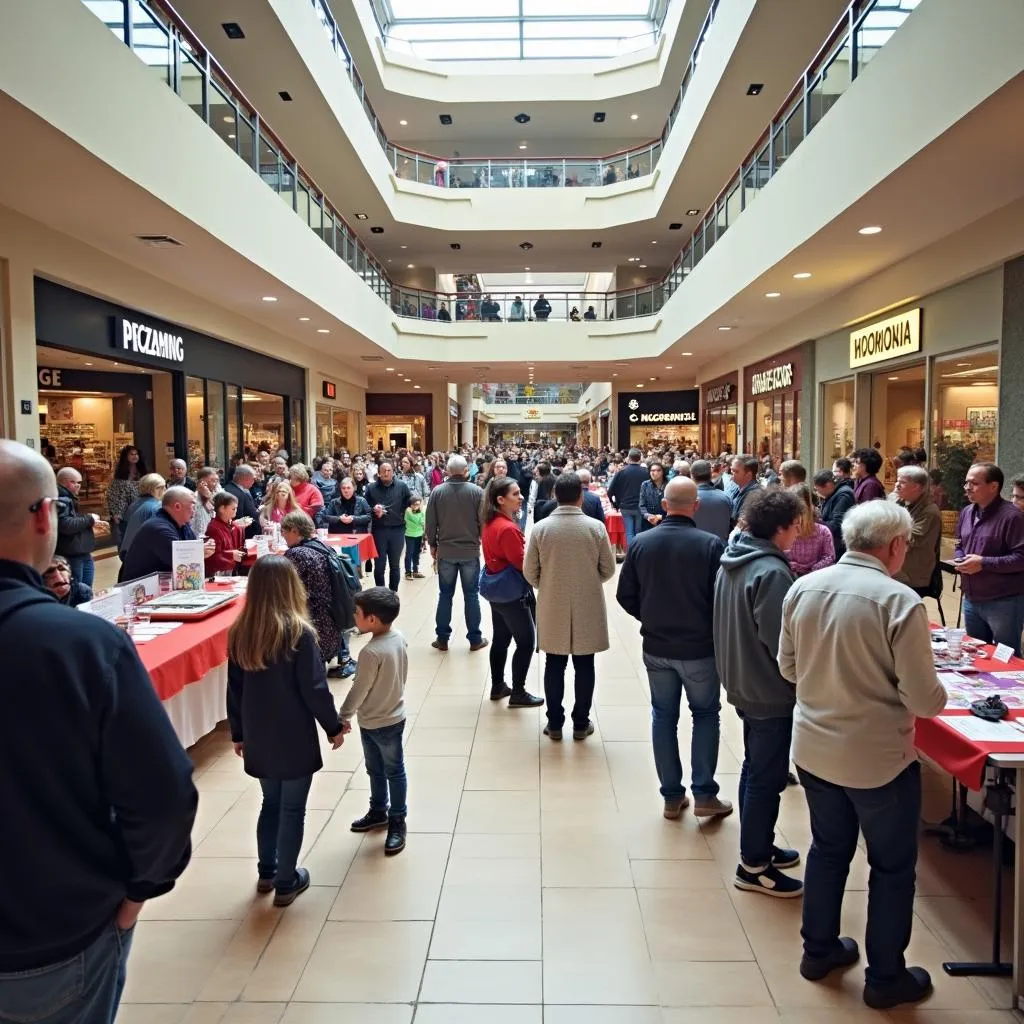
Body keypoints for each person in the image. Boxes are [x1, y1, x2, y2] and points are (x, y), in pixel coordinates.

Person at [0, 439, 196, 1023]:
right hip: (54, 936)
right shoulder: (82, 646)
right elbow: (162, 796)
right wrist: (139, 891)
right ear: (43, 515)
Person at [779, 501, 947, 1010]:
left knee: (828, 850)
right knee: (892, 867)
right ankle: (885, 977)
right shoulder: (899, 602)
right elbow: (923, 700)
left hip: (813, 747)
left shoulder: (802, 587)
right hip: (877, 759)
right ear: (895, 546)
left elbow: (788, 668)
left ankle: (819, 950)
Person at [227, 555, 344, 906]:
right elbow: (315, 689)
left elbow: (234, 688)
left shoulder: (241, 631)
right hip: (292, 733)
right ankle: (286, 880)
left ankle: (266, 870)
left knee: (270, 803)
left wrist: (238, 732)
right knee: (293, 810)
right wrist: (333, 726)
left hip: (257, 732)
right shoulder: (298, 632)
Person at [616, 477, 732, 819]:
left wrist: (649, 617)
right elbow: (721, 598)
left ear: (663, 505)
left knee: (663, 717)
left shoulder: (641, 543)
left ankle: (671, 795)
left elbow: (626, 595)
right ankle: (705, 793)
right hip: (699, 647)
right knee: (706, 714)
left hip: (656, 645)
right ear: (695, 506)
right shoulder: (711, 545)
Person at [714, 487, 804, 898]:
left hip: (742, 678)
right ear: (780, 528)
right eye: (795, 526)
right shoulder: (771, 572)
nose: (799, 533)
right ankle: (754, 866)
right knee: (766, 777)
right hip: (767, 688)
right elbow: (780, 643)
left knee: (755, 768)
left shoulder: (734, 559)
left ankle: (758, 844)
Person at [524, 472, 616, 741]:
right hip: (587, 601)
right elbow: (608, 569)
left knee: (554, 663)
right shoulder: (595, 528)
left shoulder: (541, 528)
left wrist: (550, 583)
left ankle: (554, 723)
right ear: (580, 497)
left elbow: (530, 572)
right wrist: (587, 580)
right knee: (585, 664)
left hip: (553, 602)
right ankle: (580, 723)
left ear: (554, 495)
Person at [343, 587, 410, 856]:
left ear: (372, 620)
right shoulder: (398, 637)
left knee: (389, 770)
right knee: (382, 769)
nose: (354, 616)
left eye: (357, 613)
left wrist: (342, 716)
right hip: (390, 715)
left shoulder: (371, 653)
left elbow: (359, 689)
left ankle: (396, 819)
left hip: (378, 720)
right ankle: (379, 811)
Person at [480, 476, 545, 707]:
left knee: (501, 638)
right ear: (500, 500)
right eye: (515, 494)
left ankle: (498, 685)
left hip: (496, 588)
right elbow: (521, 563)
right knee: (526, 641)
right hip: (511, 592)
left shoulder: (491, 522)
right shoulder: (507, 528)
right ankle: (518, 692)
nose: (521, 497)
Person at [955, 462, 1024, 654]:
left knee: (1006, 656)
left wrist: (983, 563)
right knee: (976, 653)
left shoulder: (1013, 517)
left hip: (1003, 601)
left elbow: (1020, 558)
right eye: (966, 483)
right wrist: (961, 559)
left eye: (974, 483)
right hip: (971, 597)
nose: (968, 487)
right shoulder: (967, 512)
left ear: (993, 487)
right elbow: (960, 544)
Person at [424, 455, 487, 651]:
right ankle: (475, 639)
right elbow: (483, 521)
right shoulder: (477, 492)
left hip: (446, 551)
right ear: (466, 471)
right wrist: (480, 540)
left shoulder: (438, 492)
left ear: (448, 471)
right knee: (471, 595)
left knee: (445, 594)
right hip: (469, 551)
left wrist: (433, 545)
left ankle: (442, 639)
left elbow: (431, 522)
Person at [281, 511, 343, 665]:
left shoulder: (296, 554)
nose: (283, 536)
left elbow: (285, 590)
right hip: (332, 624)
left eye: (284, 532)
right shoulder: (324, 546)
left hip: (312, 627)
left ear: (295, 530)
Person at [119, 486, 215, 581]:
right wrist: (199, 551)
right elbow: (181, 564)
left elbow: (191, 550)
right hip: (141, 589)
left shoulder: (182, 525)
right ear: (177, 506)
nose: (195, 511)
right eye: (193, 505)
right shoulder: (158, 528)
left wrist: (202, 549)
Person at [365, 461, 414, 592]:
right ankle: (380, 593)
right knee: (379, 565)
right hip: (379, 530)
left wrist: (414, 504)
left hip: (397, 529)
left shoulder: (402, 486)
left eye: (389, 470)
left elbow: (410, 500)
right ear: (379, 473)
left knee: (395, 565)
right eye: (384, 471)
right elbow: (365, 508)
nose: (387, 473)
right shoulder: (371, 488)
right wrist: (374, 509)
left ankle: (393, 592)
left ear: (393, 472)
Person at [893, 465, 942, 595]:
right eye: (897, 481)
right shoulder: (900, 502)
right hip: (897, 571)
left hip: (912, 575)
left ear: (917, 487)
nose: (897, 485)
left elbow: (910, 540)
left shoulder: (929, 511)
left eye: (902, 482)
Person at [55, 465, 104, 588]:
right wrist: (89, 519)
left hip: (81, 553)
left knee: (85, 591)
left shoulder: (70, 498)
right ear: (65, 482)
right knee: (78, 591)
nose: (78, 486)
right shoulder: (62, 499)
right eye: (74, 482)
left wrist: (88, 520)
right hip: (73, 555)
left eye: (79, 483)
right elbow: (65, 525)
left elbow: (71, 520)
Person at [787, 483, 835, 577]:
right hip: (789, 577)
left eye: (801, 508)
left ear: (811, 507)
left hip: (815, 579)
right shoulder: (785, 530)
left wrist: (810, 570)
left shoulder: (823, 531)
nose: (798, 513)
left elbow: (830, 557)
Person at [607, 448, 649, 547]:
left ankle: (632, 554)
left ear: (628, 458)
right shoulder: (646, 472)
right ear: (640, 459)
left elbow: (610, 491)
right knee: (638, 531)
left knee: (629, 532)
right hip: (640, 506)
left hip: (625, 506)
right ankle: (638, 554)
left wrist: (615, 504)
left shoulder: (621, 472)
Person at [106, 445, 146, 547]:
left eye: (136, 454)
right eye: (131, 454)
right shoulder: (120, 473)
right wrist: (116, 513)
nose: (134, 456)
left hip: (141, 510)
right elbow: (115, 494)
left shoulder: (142, 471)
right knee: (125, 540)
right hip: (125, 513)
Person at [813, 469, 856, 558]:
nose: (817, 493)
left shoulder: (843, 496)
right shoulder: (835, 493)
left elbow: (837, 525)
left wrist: (816, 522)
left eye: (817, 489)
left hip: (839, 547)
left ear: (828, 485)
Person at [690, 459, 732, 541]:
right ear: (710, 475)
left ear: (692, 475)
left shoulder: (686, 498)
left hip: (695, 547)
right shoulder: (725, 497)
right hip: (720, 549)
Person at [205, 492, 246, 575]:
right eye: (233, 509)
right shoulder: (213, 528)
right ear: (222, 508)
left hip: (232, 569)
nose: (236, 511)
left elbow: (239, 547)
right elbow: (212, 556)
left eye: (236, 508)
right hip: (219, 573)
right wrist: (231, 554)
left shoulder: (233, 525)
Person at [225, 464, 262, 539]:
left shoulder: (242, 489)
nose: (254, 482)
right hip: (244, 538)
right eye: (253, 479)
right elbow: (238, 519)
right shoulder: (233, 493)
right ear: (245, 478)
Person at [190, 466, 222, 538]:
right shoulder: (194, 499)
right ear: (201, 482)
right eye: (212, 480)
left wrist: (209, 497)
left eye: (217, 480)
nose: (215, 484)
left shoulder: (217, 494)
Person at [729, 455, 761, 524]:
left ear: (748, 475)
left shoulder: (755, 494)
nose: (732, 473)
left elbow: (740, 522)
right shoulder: (736, 488)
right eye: (731, 470)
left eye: (736, 471)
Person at [639, 461, 666, 531]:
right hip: (648, 522)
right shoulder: (645, 485)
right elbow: (641, 505)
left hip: (665, 521)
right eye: (652, 470)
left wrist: (660, 517)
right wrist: (648, 516)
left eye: (658, 470)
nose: (655, 473)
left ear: (662, 472)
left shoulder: (669, 485)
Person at [404, 495, 426, 580]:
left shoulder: (420, 511)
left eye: (418, 504)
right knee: (409, 553)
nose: (417, 506)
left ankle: (415, 571)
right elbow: (417, 520)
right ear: (410, 504)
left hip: (419, 534)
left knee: (416, 553)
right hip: (410, 535)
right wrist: (420, 514)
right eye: (415, 504)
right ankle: (408, 572)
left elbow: (423, 521)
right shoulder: (408, 511)